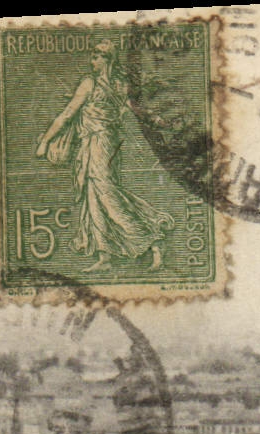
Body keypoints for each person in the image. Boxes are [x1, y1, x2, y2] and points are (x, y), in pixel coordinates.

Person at [34, 40, 173, 271]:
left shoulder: (93, 84)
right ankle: (104, 256)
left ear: (107, 59)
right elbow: (138, 110)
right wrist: (157, 120)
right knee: (94, 195)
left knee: (106, 194)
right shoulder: (117, 84)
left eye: (97, 57)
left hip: (101, 142)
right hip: (97, 143)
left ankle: (153, 240)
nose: (93, 61)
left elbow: (68, 114)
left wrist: (46, 141)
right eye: (93, 56)